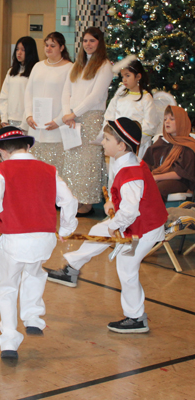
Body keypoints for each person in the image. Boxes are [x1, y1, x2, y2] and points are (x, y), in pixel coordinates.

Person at [47, 118, 167, 333]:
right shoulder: (124, 160)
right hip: (134, 221)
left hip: (144, 228)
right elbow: (127, 199)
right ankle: (71, 269)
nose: (102, 142)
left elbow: (131, 210)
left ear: (121, 145)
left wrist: (115, 224)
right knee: (96, 230)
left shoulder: (131, 172)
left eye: (107, 139)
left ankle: (136, 317)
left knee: (126, 269)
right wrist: (113, 203)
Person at [0, 126, 78, 360]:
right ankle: (33, 318)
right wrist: (67, 228)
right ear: (28, 146)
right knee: (34, 273)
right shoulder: (49, 169)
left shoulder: (1, 170)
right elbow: (69, 200)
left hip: (14, 239)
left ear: (1, 151)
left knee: (8, 287)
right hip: (44, 240)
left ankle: (10, 340)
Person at [61, 27, 113, 216]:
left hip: (90, 117)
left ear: (99, 43)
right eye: (85, 41)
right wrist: (67, 113)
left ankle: (87, 202)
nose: (88, 44)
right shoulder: (78, 65)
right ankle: (73, 199)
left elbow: (96, 95)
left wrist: (74, 113)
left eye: (92, 41)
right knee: (73, 161)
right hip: (72, 119)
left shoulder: (105, 65)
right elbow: (66, 91)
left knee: (88, 162)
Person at [24, 32, 73, 175]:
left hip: (55, 128)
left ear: (62, 47)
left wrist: (58, 121)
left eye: (53, 45)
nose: (48, 48)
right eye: (46, 45)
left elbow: (70, 97)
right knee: (34, 171)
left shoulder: (69, 68)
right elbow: (28, 92)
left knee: (53, 171)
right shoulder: (38, 66)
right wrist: (28, 115)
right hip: (35, 126)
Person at [104, 56, 158, 159]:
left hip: (136, 146)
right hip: (117, 144)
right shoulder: (119, 96)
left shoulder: (146, 98)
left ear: (138, 76)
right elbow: (109, 116)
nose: (124, 79)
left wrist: (131, 140)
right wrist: (114, 137)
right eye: (122, 76)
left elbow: (150, 125)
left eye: (128, 76)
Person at [143, 105, 195, 202]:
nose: (167, 121)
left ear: (181, 122)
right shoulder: (162, 142)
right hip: (157, 176)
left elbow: (180, 173)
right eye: (165, 119)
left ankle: (155, 216)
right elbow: (147, 163)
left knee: (156, 189)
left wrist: (155, 177)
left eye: (172, 119)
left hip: (180, 182)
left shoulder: (188, 146)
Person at [0, 36, 39, 133]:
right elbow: (4, 96)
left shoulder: (35, 71)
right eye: (17, 49)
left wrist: (25, 123)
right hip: (10, 120)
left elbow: (34, 99)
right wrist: (4, 119)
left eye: (23, 50)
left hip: (27, 122)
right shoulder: (11, 71)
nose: (19, 53)